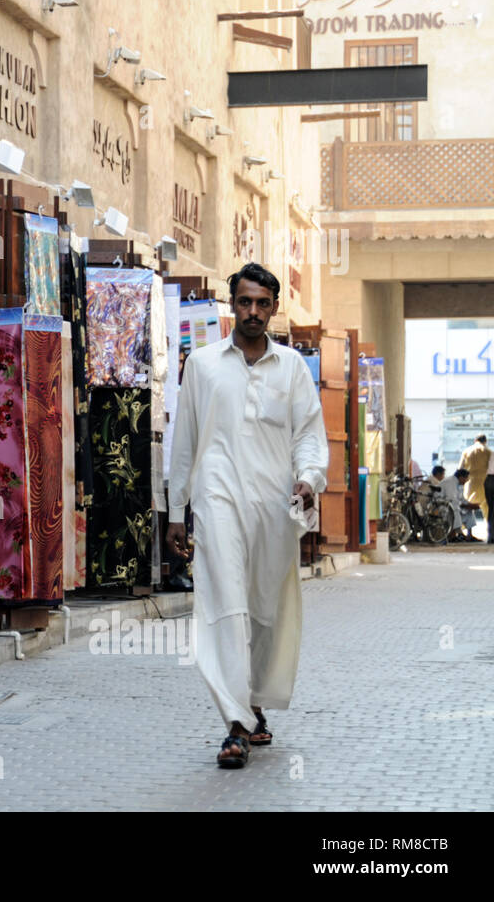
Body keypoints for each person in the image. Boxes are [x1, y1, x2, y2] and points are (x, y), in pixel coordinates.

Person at [167, 263, 328, 770]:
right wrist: (176, 510)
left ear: (274, 308)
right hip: (217, 500)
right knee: (225, 605)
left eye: (262, 303)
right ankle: (234, 724)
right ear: (231, 305)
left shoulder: (293, 369)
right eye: (244, 302)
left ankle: (253, 700)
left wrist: (309, 478)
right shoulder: (205, 364)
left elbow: (308, 435)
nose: (252, 312)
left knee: (265, 610)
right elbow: (185, 439)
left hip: (274, 507)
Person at [436, 467, 478, 541]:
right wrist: (465, 505)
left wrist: (470, 505)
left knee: (469, 511)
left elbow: (461, 499)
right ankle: (454, 535)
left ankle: (469, 536)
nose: (466, 481)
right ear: (461, 477)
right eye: (466, 479)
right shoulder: (450, 482)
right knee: (455, 510)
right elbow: (451, 499)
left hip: (453, 505)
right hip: (442, 506)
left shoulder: (459, 484)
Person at [458, 435, 490, 523]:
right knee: (487, 511)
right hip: (485, 484)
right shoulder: (488, 452)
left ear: (475, 440)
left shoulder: (466, 451)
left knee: (467, 508)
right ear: (485, 441)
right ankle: (490, 534)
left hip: (470, 484)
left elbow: (460, 469)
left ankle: (466, 533)